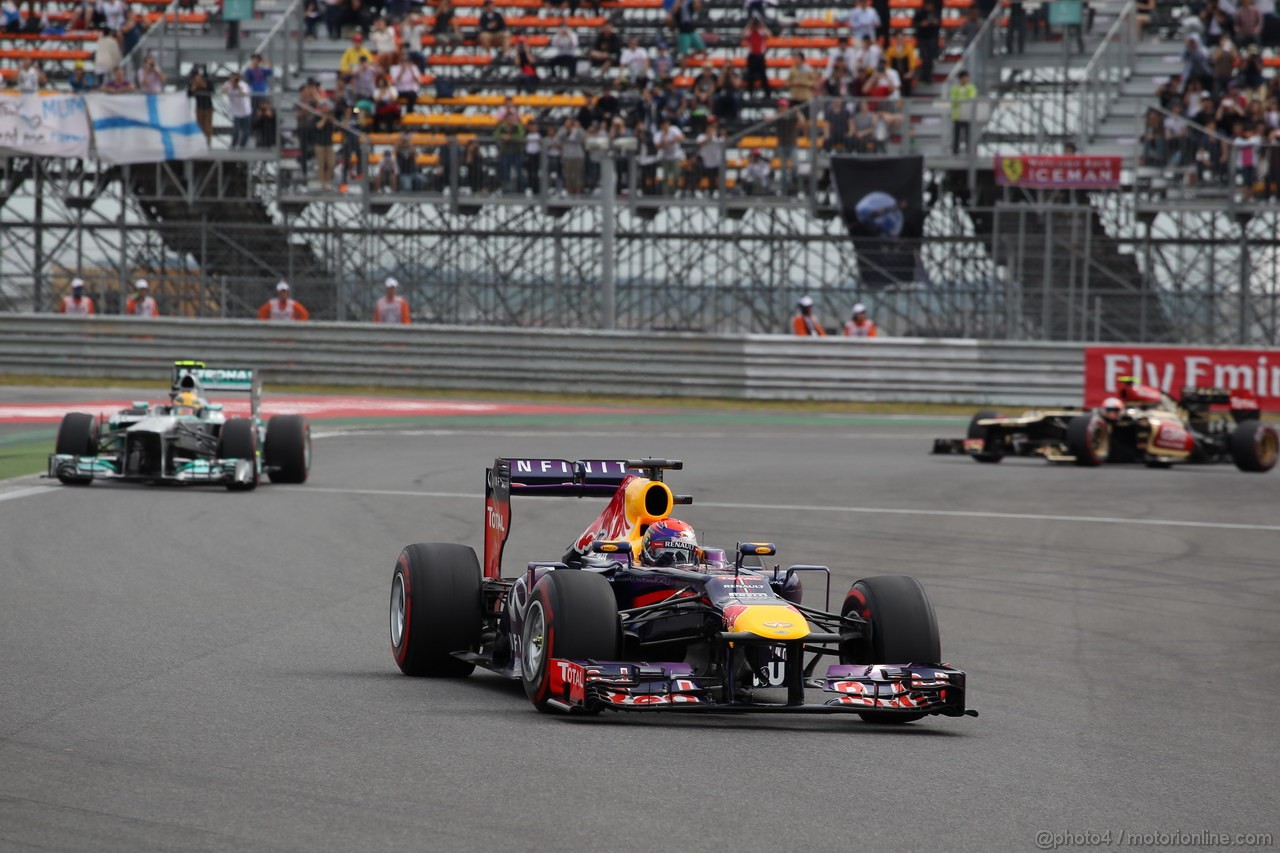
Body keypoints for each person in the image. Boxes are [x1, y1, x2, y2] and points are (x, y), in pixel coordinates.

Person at [950, 70, 977, 155]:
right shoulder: (955, 88)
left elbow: (972, 97)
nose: (965, 79)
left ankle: (969, 152)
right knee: (956, 135)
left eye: (966, 77)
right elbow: (953, 100)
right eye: (964, 77)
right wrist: (963, 100)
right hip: (957, 115)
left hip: (968, 115)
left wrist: (961, 101)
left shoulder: (971, 87)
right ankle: (955, 152)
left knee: (968, 135)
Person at [225, 72, 253, 148]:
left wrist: (238, 87)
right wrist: (229, 87)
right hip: (236, 112)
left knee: (246, 132)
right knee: (236, 131)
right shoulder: (228, 84)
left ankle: (242, 146)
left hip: (245, 111)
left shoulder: (243, 85)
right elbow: (223, 90)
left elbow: (244, 94)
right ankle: (233, 145)